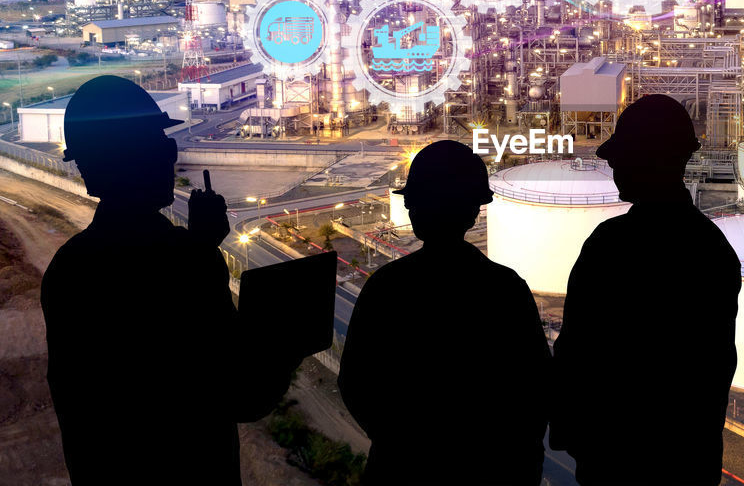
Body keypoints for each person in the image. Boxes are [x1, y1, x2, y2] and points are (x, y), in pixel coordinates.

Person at [41, 75, 299, 484]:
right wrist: (286, 342)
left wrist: (197, 248)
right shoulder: (185, 262)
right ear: (150, 157)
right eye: (164, 147)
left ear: (88, 171)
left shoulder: (68, 268)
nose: (170, 157)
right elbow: (244, 396)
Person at [551, 94, 741, 485]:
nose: (613, 164)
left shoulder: (611, 245)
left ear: (646, 160)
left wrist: (575, 435)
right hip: (684, 460)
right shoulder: (712, 250)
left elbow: (577, 351)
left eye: (621, 156)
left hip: (616, 458)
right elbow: (714, 366)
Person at [339, 140, 550, 485]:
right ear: (473, 211)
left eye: (412, 202)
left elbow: (355, 384)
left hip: (401, 470)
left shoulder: (389, 287)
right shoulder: (505, 290)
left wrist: (401, 447)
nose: (410, 209)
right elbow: (534, 392)